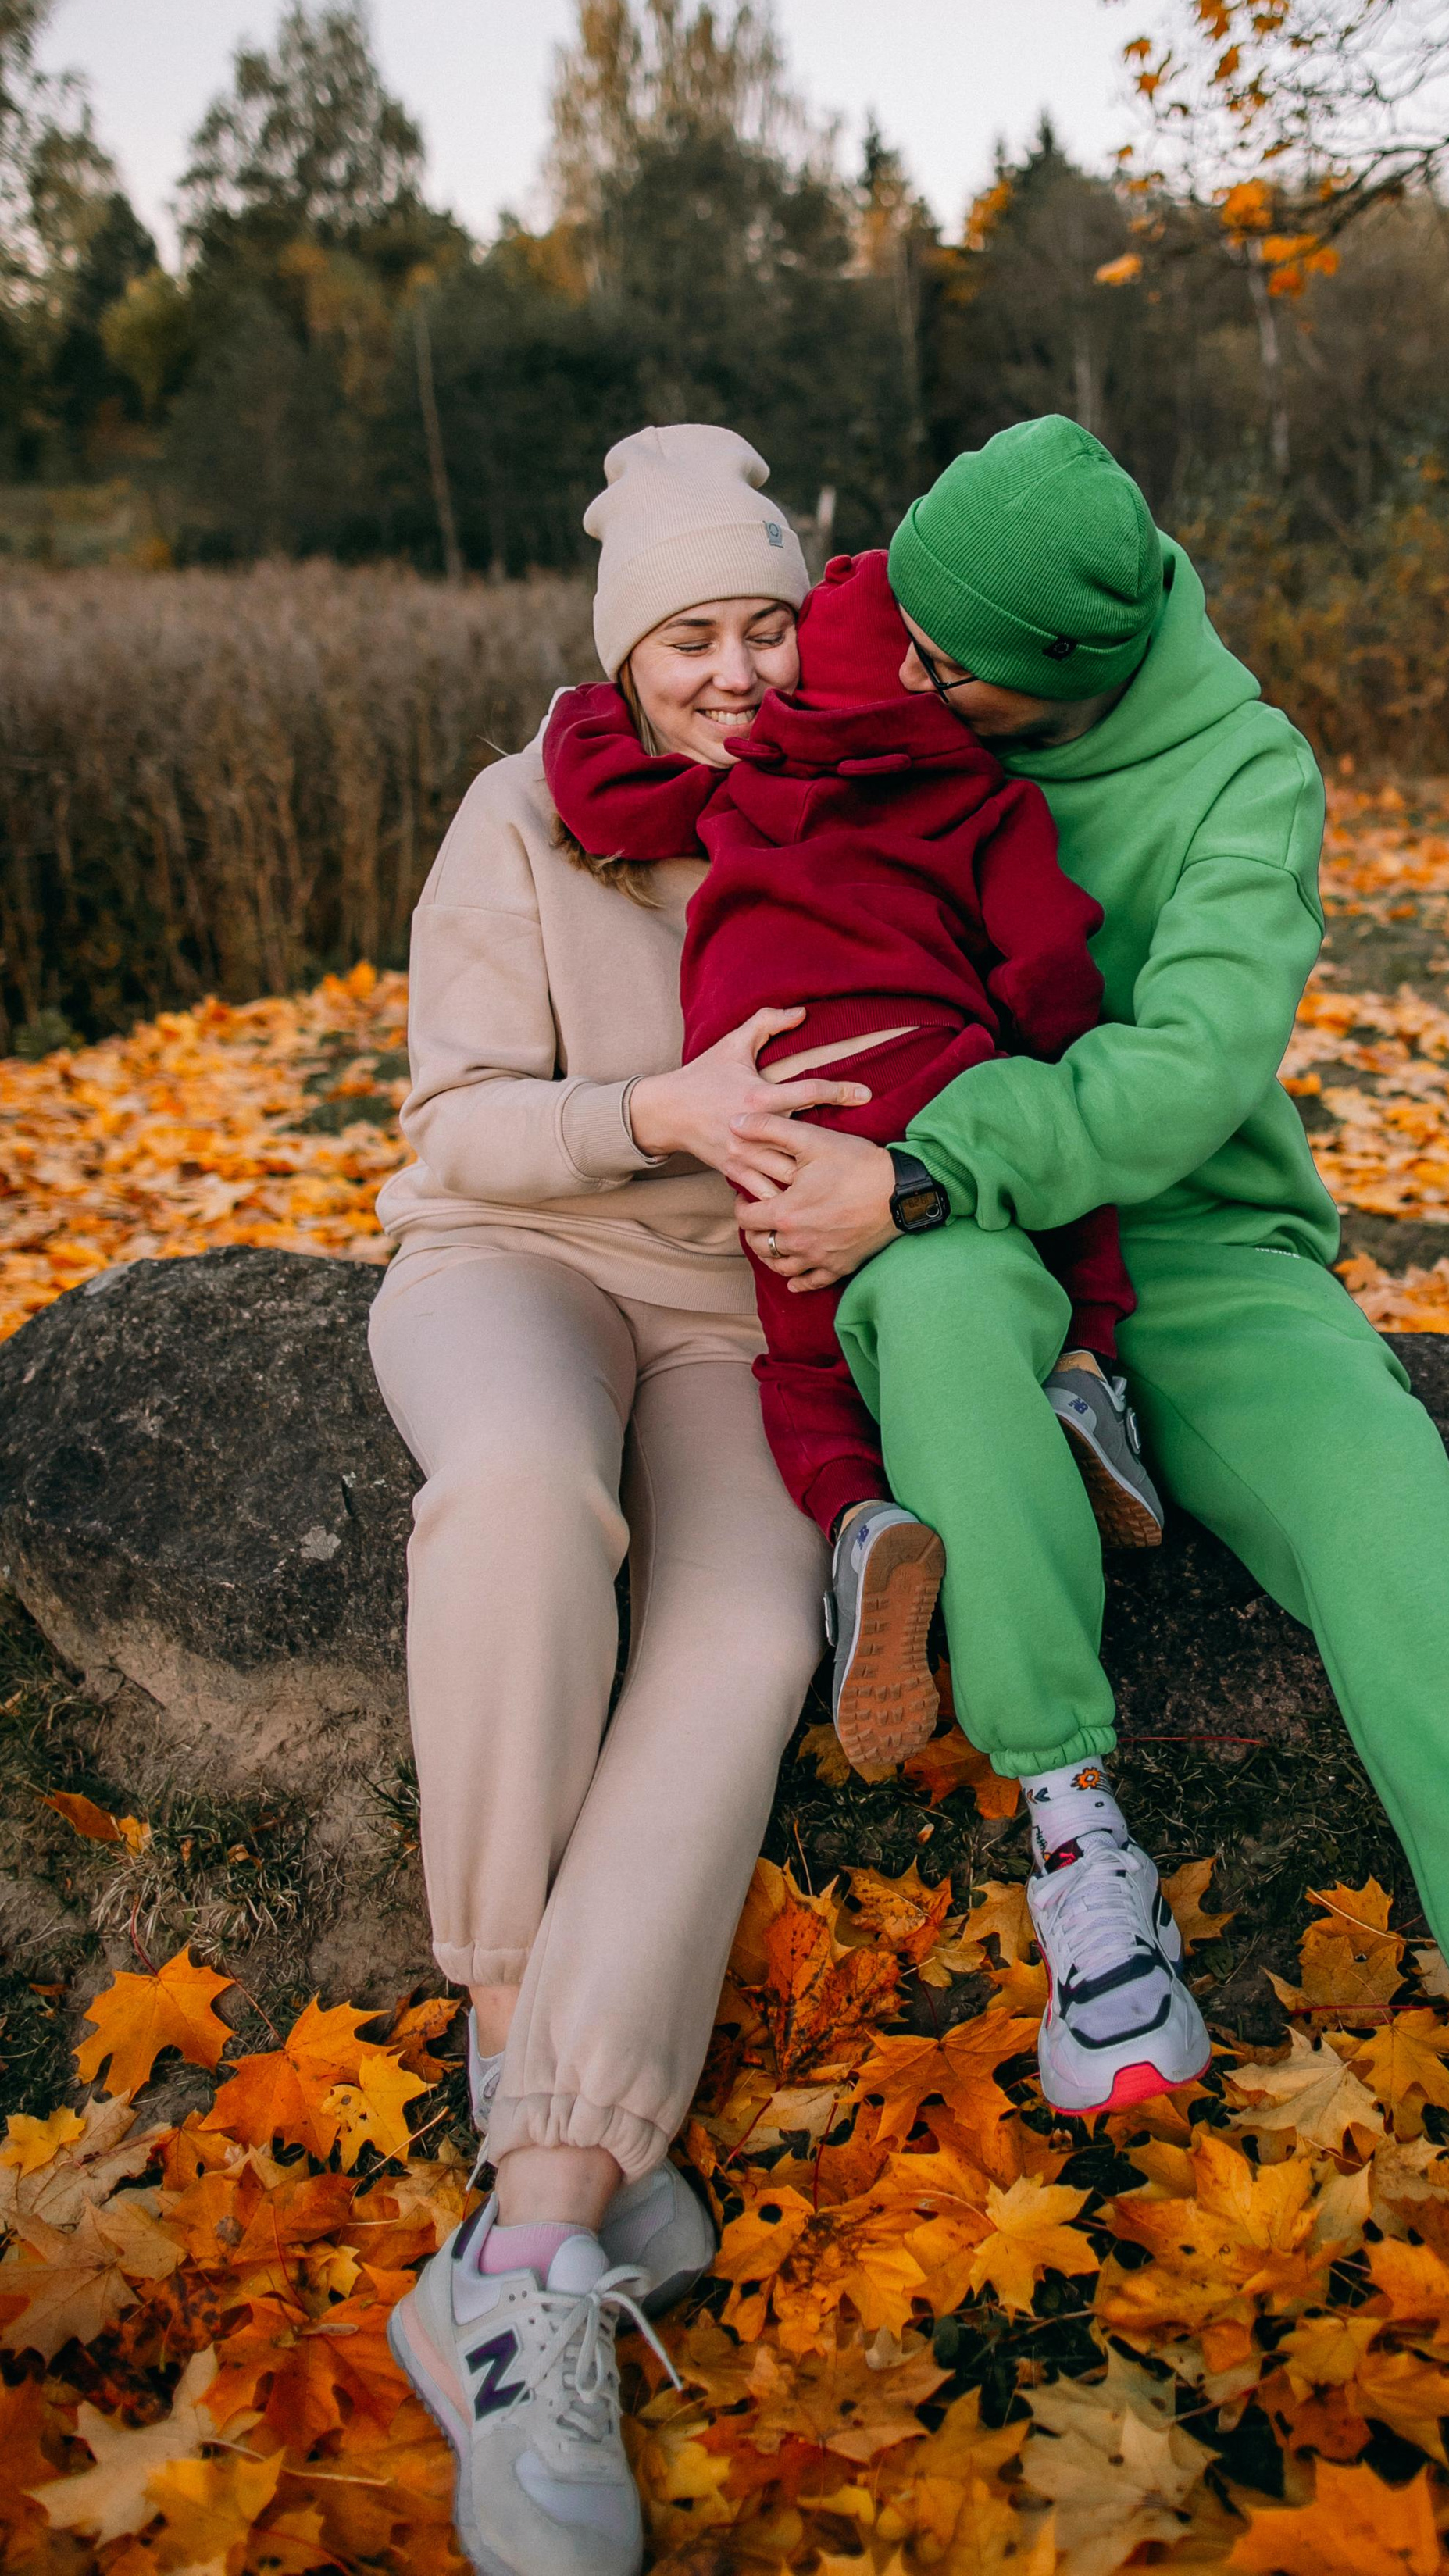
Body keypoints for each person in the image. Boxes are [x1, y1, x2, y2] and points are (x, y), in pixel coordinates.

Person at [727, 412, 1449, 2437]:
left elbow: (1188, 1070)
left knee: (1388, 1506)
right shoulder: (898, 652)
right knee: (937, 1311)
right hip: (958, 1231)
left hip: (1191, 1244)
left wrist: (929, 1155)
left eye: (952, 669)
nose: (905, 673)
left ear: (1066, 674)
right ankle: (1084, 1847)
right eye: (896, 624)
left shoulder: (1245, 775)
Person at [370, 426, 878, 2576]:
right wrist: (652, 1104)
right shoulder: (521, 816)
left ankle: (524, 2247)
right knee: (510, 1496)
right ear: (630, 651)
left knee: (757, 1638)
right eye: (695, 635)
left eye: (771, 623)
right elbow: (457, 1127)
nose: (740, 671)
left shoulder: (867, 806)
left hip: (741, 1322)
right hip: (517, 1264)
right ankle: (526, 2057)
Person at [539, 543, 1166, 1768]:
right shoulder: (987, 799)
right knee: (1050, 1174)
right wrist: (1056, 1057)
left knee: (802, 1358)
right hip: (939, 1088)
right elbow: (1049, 975)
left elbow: (608, 801)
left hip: (777, 1118)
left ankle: (858, 1515)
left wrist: (578, 715)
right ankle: (1084, 1371)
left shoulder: (744, 785)